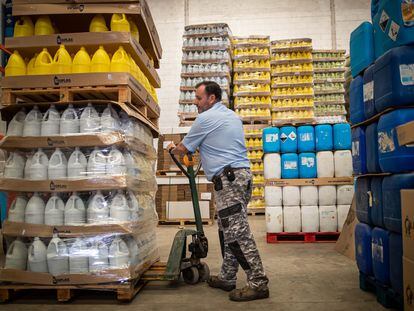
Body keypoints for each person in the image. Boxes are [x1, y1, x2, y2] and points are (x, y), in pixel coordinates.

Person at [168, 81, 269, 302]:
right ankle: (227, 277)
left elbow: (183, 149)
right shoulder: (231, 115)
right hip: (241, 178)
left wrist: (171, 148)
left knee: (238, 234)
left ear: (211, 98)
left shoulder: (205, 119)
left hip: (229, 181)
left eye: (198, 98)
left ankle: (258, 283)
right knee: (229, 231)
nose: (195, 102)